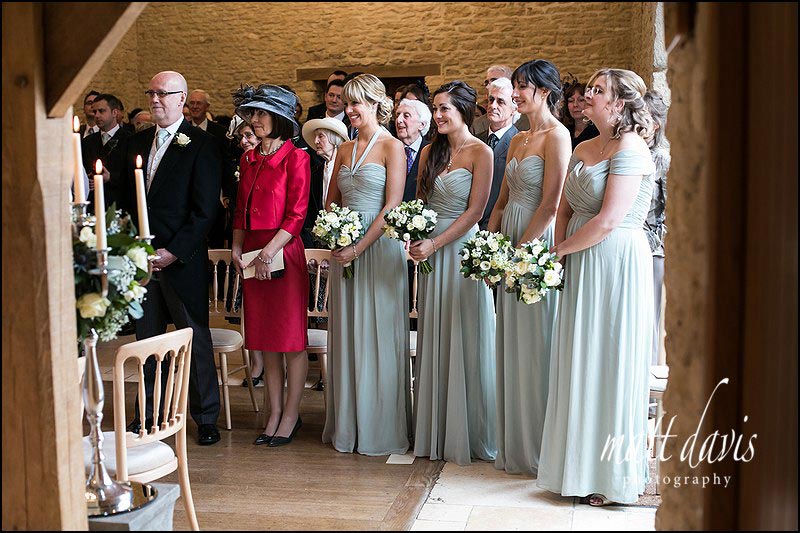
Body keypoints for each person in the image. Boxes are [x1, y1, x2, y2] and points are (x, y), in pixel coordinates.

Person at [537, 68, 656, 505]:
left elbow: (608, 220)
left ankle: (610, 476)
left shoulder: (631, 147)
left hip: (615, 260)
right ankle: (574, 468)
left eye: (598, 90)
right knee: (578, 357)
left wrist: (558, 252)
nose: (588, 94)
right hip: (578, 258)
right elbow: (565, 209)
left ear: (619, 103)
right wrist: (561, 252)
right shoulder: (583, 146)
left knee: (608, 358)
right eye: (589, 87)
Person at [121, 70, 223, 446]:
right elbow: (125, 200)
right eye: (151, 93)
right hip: (142, 260)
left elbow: (205, 209)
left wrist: (174, 251)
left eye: (163, 93)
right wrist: (132, 247)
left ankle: (205, 417)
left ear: (181, 99)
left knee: (193, 338)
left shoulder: (202, 143)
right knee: (146, 341)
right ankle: (147, 415)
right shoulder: (137, 141)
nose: (155, 99)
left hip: (182, 259)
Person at [487, 59, 571, 476]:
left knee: (537, 345)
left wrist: (519, 254)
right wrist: (489, 247)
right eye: (516, 85)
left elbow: (552, 204)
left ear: (545, 92)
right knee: (511, 343)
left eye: (522, 87)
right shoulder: (518, 139)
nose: (516, 93)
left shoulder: (558, 136)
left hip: (535, 245)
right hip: (509, 241)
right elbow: (502, 201)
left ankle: (541, 448)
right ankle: (515, 445)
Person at [321, 73, 410, 456]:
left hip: (379, 250)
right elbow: (331, 202)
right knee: (348, 333)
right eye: (348, 103)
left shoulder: (392, 146)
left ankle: (379, 427)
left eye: (357, 103)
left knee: (378, 334)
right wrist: (336, 234)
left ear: (376, 104)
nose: (350, 109)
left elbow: (392, 205)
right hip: (345, 250)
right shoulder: (343, 149)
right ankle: (350, 425)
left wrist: (358, 247)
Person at [410, 80, 496, 465]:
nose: (438, 115)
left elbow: (476, 212)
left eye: (445, 108)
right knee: (435, 332)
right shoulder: (430, 152)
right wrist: (414, 235)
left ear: (464, 110)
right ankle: (436, 429)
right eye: (435, 108)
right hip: (430, 253)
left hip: (461, 252)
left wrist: (435, 243)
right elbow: (420, 202)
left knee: (465, 334)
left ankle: (469, 431)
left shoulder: (481, 152)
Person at [231, 84, 311, 447]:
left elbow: (297, 214)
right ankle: (273, 413)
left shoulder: (297, 158)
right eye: (253, 113)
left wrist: (267, 253)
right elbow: (239, 210)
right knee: (265, 341)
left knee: (290, 340)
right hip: (251, 253)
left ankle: (291, 415)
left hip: (282, 252)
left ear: (279, 119)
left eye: (262, 113)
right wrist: (237, 248)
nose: (255, 119)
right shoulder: (248, 159)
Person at [643, 90, 670, 366]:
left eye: (644, 116)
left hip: (652, 249)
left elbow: (668, 209)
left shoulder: (662, 158)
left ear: (656, 123)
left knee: (649, 315)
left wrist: (654, 242)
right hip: (628, 241)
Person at [477, 77, 519, 229]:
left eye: (500, 102)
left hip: (502, 223)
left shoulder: (519, 142)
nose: (492, 106)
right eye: (490, 100)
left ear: (514, 109)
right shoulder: (475, 140)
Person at [301, 116, 349, 247]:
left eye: (321, 136)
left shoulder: (347, 169)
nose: (315, 141)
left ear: (334, 139)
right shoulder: (316, 172)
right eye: (315, 137)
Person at [81, 93, 133, 211]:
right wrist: (87, 179)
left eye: (101, 111)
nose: (96, 115)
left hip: (118, 205)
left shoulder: (130, 140)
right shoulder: (87, 141)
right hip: (92, 205)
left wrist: (110, 178)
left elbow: (132, 175)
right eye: (95, 112)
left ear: (114, 112)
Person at [395, 98, 432, 202]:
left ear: (421, 125)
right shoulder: (389, 149)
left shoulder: (431, 151)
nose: (398, 120)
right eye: (397, 115)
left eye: (406, 116)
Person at [561, 81, 600, 149]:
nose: (575, 105)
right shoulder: (563, 130)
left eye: (581, 100)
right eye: (571, 101)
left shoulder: (598, 131)